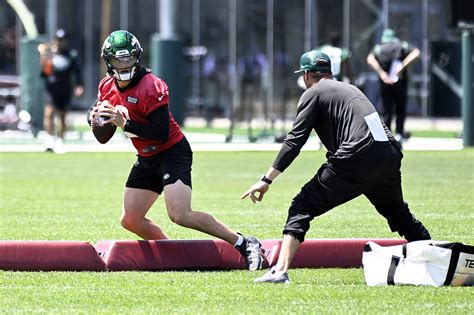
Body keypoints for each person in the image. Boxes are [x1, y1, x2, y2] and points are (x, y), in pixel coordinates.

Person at [241, 50, 431, 284]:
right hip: (388, 153)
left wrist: (267, 179)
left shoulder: (314, 92)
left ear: (308, 75)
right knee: (400, 215)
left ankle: (279, 271)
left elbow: (294, 140)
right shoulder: (351, 89)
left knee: (302, 205)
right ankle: (435, 260)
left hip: (356, 157)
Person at [87, 30, 263, 270]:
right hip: (147, 156)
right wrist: (96, 119)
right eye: (119, 60)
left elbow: (159, 132)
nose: (124, 64)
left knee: (180, 214)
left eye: (128, 59)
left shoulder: (151, 85)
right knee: (130, 220)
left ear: (137, 58)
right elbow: (102, 137)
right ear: (109, 62)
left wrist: (124, 123)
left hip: (171, 151)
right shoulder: (107, 86)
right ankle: (174, 253)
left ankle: (244, 243)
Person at [367, 29, 420, 143]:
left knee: (387, 109)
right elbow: (416, 53)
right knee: (400, 109)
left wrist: (381, 73)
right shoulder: (402, 46)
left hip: (385, 83)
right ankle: (399, 133)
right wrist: (403, 66)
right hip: (400, 82)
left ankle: (387, 135)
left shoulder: (379, 48)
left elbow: (370, 59)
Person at [41, 29, 84, 154]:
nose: (60, 42)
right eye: (58, 40)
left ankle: (60, 141)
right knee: (49, 113)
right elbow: (45, 73)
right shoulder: (50, 53)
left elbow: (77, 72)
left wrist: (79, 85)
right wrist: (44, 58)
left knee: (62, 116)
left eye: (62, 40)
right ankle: (49, 140)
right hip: (51, 88)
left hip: (65, 89)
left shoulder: (71, 55)